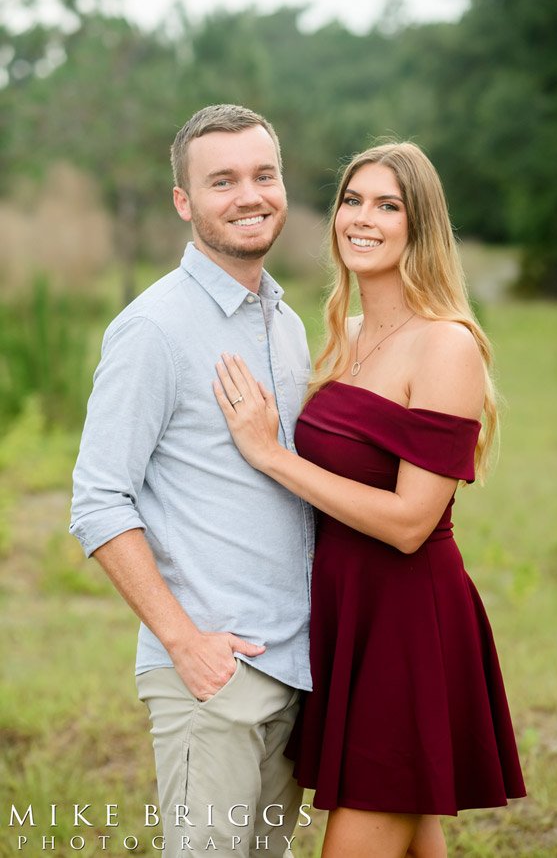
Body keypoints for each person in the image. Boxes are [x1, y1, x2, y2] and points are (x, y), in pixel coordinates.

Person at [213, 141, 526, 858]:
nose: (362, 218)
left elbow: (412, 523)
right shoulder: (341, 336)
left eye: (387, 205)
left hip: (407, 622)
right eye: (352, 200)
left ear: (420, 226)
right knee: (412, 836)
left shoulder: (446, 346)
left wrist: (271, 456)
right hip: (345, 618)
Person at [70, 104, 315, 858]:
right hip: (212, 676)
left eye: (262, 174)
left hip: (296, 667)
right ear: (184, 201)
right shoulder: (155, 329)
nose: (249, 194)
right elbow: (97, 499)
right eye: (221, 181)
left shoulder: (287, 322)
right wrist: (185, 643)